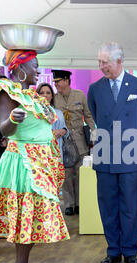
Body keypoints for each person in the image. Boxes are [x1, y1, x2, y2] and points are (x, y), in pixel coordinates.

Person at [0, 50, 69, 263]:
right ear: (19, 70)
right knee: (25, 216)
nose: (38, 71)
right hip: (23, 162)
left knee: (35, 215)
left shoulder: (32, 96)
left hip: (40, 162)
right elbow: (5, 129)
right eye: (34, 66)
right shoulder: (8, 91)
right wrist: (14, 119)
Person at [87, 42, 137, 263]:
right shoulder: (95, 89)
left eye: (105, 62)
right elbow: (97, 116)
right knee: (107, 205)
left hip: (131, 153)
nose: (101, 66)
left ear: (119, 61)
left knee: (131, 205)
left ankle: (130, 251)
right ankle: (113, 250)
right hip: (105, 152)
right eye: (99, 62)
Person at [52, 69, 96, 216]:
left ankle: (80, 204)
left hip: (79, 141)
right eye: (55, 82)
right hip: (62, 141)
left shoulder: (80, 95)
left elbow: (89, 116)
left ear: (66, 81)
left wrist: (94, 134)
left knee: (80, 173)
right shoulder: (54, 98)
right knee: (66, 175)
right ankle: (69, 204)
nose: (56, 84)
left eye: (58, 82)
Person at [37, 83, 69, 163]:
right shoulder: (34, 113)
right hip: (41, 153)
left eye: (48, 93)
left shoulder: (58, 113)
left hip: (57, 152)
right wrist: (50, 133)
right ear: (37, 95)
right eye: (42, 93)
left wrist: (63, 131)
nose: (45, 95)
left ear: (52, 96)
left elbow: (66, 131)